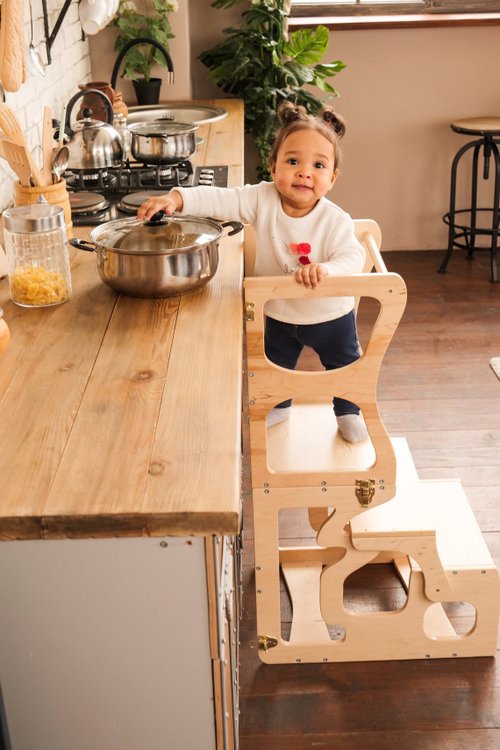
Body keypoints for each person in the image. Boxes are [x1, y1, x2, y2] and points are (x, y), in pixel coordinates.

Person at [138, 101, 368, 443]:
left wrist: (326, 269)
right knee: (274, 364)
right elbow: (221, 199)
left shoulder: (335, 220)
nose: (304, 172)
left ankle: (349, 410)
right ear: (273, 167)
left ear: (332, 178)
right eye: (293, 162)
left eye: (318, 165)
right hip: (276, 311)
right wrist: (177, 198)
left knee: (345, 367)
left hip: (330, 315)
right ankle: (280, 404)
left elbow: (353, 256)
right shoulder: (262, 198)